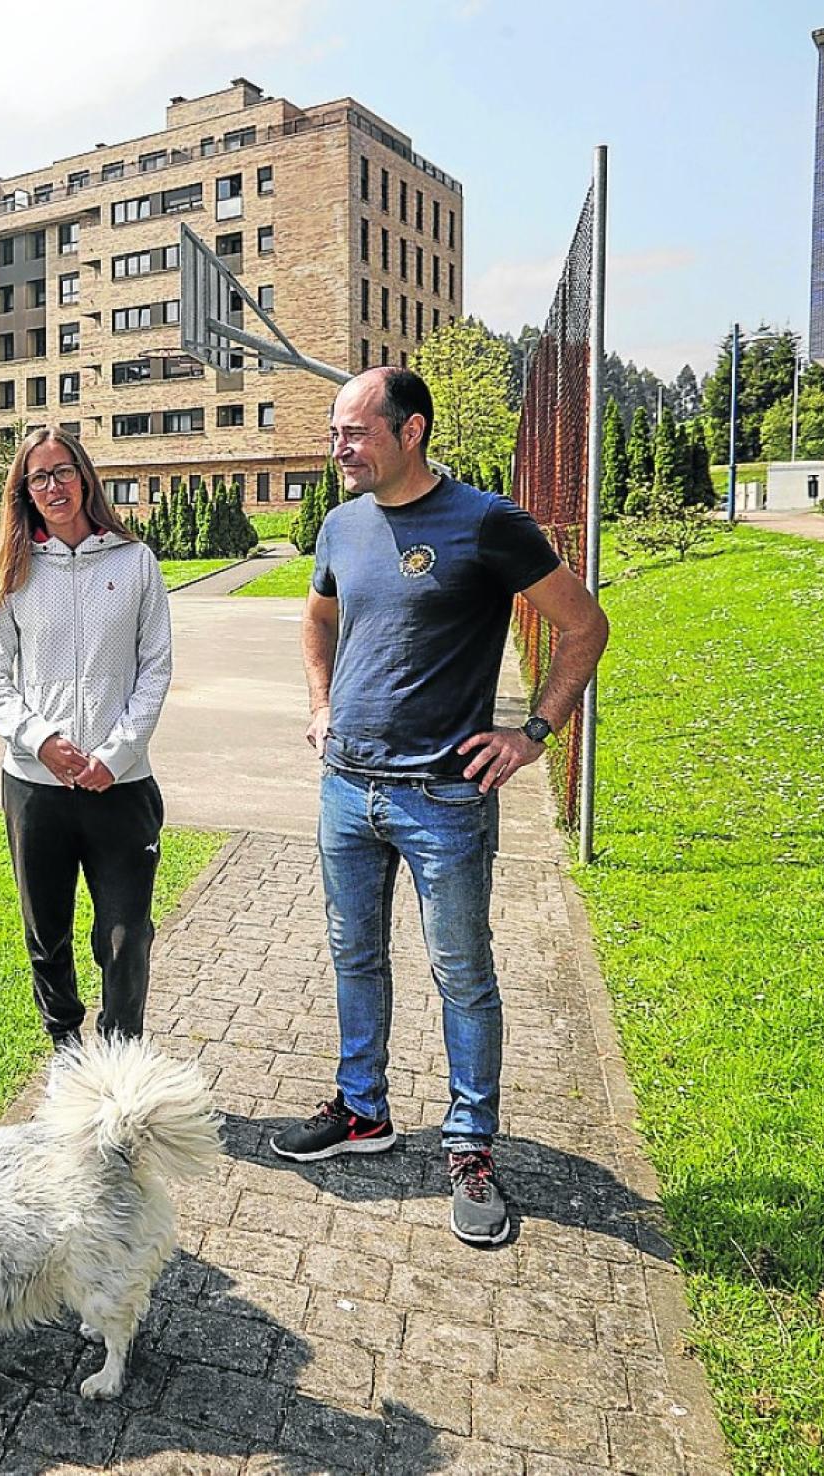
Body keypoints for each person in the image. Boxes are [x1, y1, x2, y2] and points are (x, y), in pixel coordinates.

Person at [269, 367, 609, 1247]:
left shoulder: (488, 523)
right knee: (354, 956)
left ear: (410, 430)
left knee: (461, 972)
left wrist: (533, 733)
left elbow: (584, 626)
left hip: (444, 799)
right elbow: (318, 622)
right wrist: (318, 706)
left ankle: (470, 1145)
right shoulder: (341, 524)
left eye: (354, 432)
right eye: (335, 433)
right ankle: (362, 1112)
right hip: (346, 789)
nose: (338, 448)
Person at [0, 427, 174, 1048]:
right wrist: (40, 741)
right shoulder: (15, 571)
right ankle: (65, 1046)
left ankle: (119, 1056)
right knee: (47, 933)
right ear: (25, 492)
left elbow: (156, 667)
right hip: (37, 788)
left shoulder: (134, 560)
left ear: (84, 477)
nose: (53, 486)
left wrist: (114, 756)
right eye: (39, 478)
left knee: (125, 935)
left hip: (120, 787)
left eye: (63, 472)